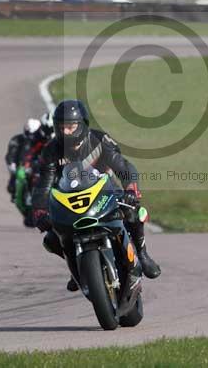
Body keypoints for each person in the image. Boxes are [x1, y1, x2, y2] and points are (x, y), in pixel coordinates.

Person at [31, 99, 161, 291]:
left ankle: (141, 254)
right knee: (51, 239)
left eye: (70, 126)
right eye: (61, 127)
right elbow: (44, 183)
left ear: (82, 125)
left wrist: (131, 190)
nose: (65, 132)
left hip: (107, 193)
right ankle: (77, 267)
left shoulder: (99, 140)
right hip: (71, 201)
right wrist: (40, 211)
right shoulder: (50, 151)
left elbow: (122, 166)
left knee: (134, 211)